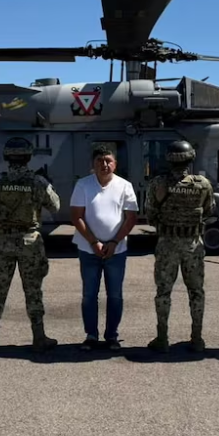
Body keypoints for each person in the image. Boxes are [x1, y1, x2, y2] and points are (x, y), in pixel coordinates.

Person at [0, 136, 62, 353]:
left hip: (3, 241)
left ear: (6, 157)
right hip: (30, 242)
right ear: (29, 157)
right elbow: (55, 207)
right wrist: (48, 184)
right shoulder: (38, 182)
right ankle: (39, 338)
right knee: (33, 291)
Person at [143, 139, 216, 353]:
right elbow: (209, 210)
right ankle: (197, 339)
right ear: (190, 159)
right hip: (192, 245)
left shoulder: (158, 183)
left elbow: (150, 214)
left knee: (163, 292)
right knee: (196, 292)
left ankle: (162, 339)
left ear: (168, 159)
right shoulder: (203, 184)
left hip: (167, 245)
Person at [69, 145, 139, 351]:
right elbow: (76, 216)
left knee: (115, 295)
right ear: (93, 164)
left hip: (116, 250)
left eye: (108, 160)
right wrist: (93, 242)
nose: (104, 164)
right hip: (88, 249)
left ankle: (111, 336)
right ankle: (91, 335)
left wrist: (114, 242)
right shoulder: (83, 185)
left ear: (115, 164)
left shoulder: (125, 186)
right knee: (89, 295)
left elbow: (130, 218)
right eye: (100, 161)